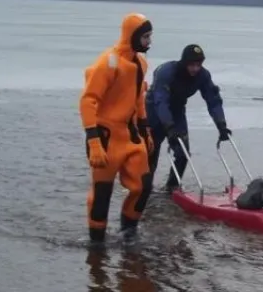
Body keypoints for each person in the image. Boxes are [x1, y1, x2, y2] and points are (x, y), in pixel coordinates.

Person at [80, 13, 155, 245]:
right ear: (132, 36)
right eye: (145, 37)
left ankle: (129, 232)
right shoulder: (108, 63)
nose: (149, 42)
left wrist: (145, 128)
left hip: (131, 136)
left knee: (143, 186)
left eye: (150, 37)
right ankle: (96, 241)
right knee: (102, 192)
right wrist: (93, 141)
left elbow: (138, 97)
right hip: (106, 137)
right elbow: (88, 100)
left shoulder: (140, 63)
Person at [142, 44, 231, 193]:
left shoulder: (203, 76)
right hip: (155, 112)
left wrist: (221, 124)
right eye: (192, 65)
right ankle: (144, 189)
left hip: (177, 111)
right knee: (151, 152)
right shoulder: (166, 72)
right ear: (184, 63)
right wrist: (169, 127)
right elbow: (160, 101)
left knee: (183, 153)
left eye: (198, 65)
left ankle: (172, 188)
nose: (195, 69)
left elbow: (213, 100)